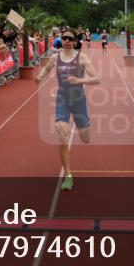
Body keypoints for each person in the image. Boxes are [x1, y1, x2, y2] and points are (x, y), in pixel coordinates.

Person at [35, 29, 100, 191]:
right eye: (64, 38)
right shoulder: (55, 58)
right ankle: (68, 175)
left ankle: (85, 124)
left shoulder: (82, 58)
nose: (66, 41)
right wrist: (40, 77)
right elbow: (47, 68)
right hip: (62, 99)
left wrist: (80, 79)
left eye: (70, 39)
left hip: (79, 101)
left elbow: (97, 78)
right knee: (62, 133)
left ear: (75, 41)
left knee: (85, 138)